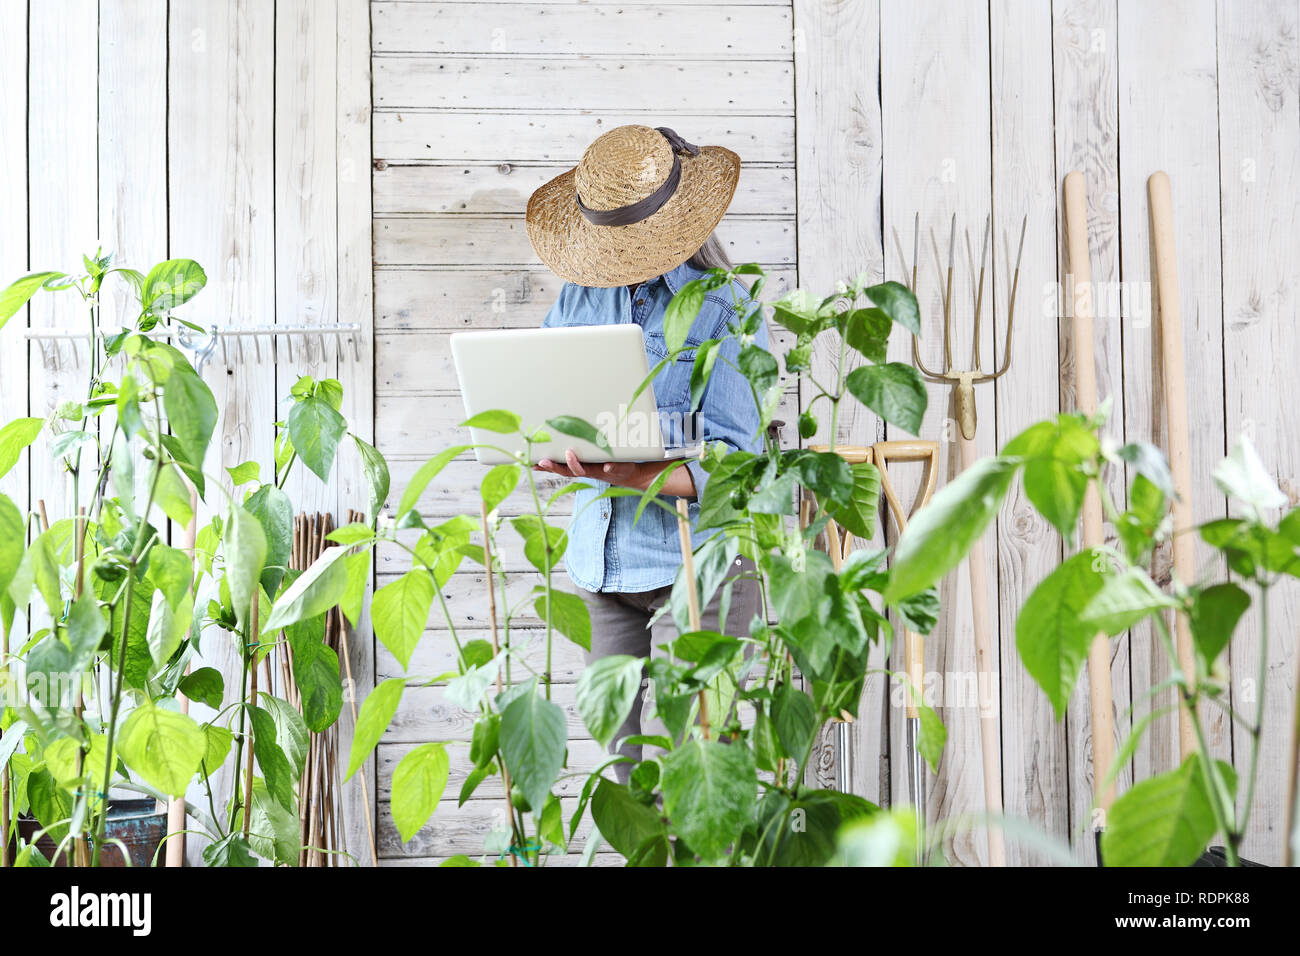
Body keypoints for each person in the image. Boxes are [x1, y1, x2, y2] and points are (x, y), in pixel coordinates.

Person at [524, 124, 768, 779]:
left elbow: (738, 464)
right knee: (628, 783)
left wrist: (637, 470)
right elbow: (546, 395)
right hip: (602, 566)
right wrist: (551, 445)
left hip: (699, 565)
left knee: (693, 774)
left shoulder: (726, 308)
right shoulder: (579, 295)